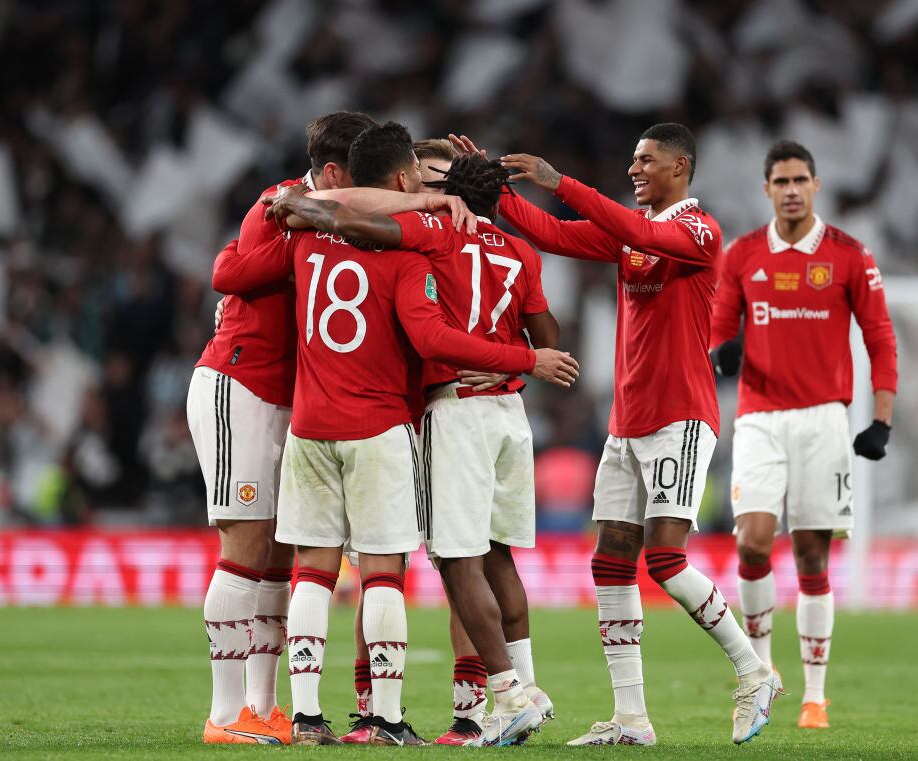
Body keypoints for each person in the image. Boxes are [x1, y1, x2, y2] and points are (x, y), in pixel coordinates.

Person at [215, 121, 579, 746]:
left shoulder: (314, 234)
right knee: (434, 565)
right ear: (405, 179)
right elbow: (441, 337)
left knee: (316, 570)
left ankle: (306, 715)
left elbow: (238, 265)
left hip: (317, 421)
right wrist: (522, 359)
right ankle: (406, 712)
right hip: (403, 419)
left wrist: (289, 210)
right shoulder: (437, 252)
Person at [488, 123, 780, 746]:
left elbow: (639, 231)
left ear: (682, 166)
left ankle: (755, 671)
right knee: (611, 562)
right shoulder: (634, 233)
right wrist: (496, 198)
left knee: (665, 559)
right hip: (627, 424)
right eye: (632, 160)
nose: (635, 168)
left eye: (647, 160)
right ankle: (630, 719)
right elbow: (556, 234)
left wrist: (557, 180)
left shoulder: (698, 232)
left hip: (679, 415)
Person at [187, 110, 375, 746]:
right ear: (332, 171)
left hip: (281, 400)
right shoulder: (278, 202)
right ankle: (222, 715)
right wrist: (294, 229)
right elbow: (228, 274)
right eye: (364, 171)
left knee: (272, 556)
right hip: (237, 386)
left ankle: (264, 708)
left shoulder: (319, 216)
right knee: (243, 550)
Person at [709, 140, 898, 730]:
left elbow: (880, 337)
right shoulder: (741, 255)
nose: (791, 189)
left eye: (800, 179)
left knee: (813, 554)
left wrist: (882, 419)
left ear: (816, 185)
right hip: (760, 420)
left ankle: (816, 694)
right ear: (766, 189)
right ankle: (762, 674)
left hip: (824, 419)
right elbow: (716, 331)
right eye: (781, 181)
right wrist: (725, 355)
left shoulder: (849, 255)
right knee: (753, 544)